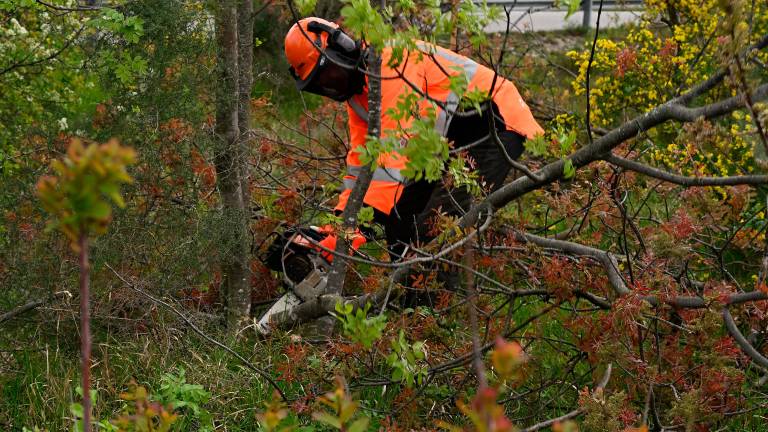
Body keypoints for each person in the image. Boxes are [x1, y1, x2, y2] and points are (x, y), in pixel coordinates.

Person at [283, 17, 544, 269]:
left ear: (342, 48)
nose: (330, 86)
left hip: (496, 123)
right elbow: (360, 165)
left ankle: (435, 309)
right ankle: (408, 299)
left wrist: (353, 231)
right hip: (449, 142)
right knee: (399, 219)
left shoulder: (391, 65)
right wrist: (339, 223)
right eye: (321, 85)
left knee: (438, 227)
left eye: (329, 75)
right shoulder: (359, 96)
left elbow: (393, 159)